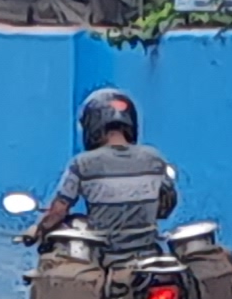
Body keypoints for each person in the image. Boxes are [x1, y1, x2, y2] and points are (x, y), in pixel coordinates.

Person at [29, 87, 178, 265]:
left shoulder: (83, 164)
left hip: (105, 257)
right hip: (149, 256)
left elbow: (59, 211)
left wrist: (37, 230)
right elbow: (166, 207)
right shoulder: (155, 158)